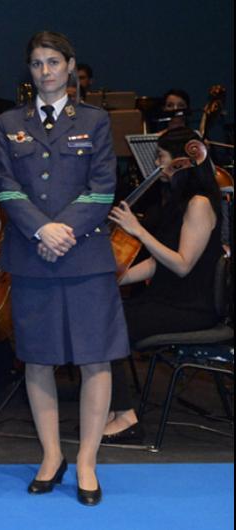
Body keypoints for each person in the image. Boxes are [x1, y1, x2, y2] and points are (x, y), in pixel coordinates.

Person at [0, 30, 126, 506]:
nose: (45, 71)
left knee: (95, 358)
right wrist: (40, 231)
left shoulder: (95, 120)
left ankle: (87, 460)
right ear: (28, 72)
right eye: (36, 64)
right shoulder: (9, 123)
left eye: (53, 62)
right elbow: (5, 187)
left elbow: (103, 187)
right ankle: (51, 455)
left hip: (84, 256)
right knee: (39, 358)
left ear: (70, 66)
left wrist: (62, 230)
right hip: (32, 258)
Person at [103, 127, 224, 443]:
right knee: (104, 316)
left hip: (191, 307)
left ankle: (126, 417)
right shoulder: (177, 200)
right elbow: (159, 261)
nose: (156, 163)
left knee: (109, 325)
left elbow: (182, 264)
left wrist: (138, 231)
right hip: (167, 299)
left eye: (161, 157)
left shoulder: (200, 203)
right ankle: (116, 412)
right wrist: (116, 278)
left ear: (183, 162)